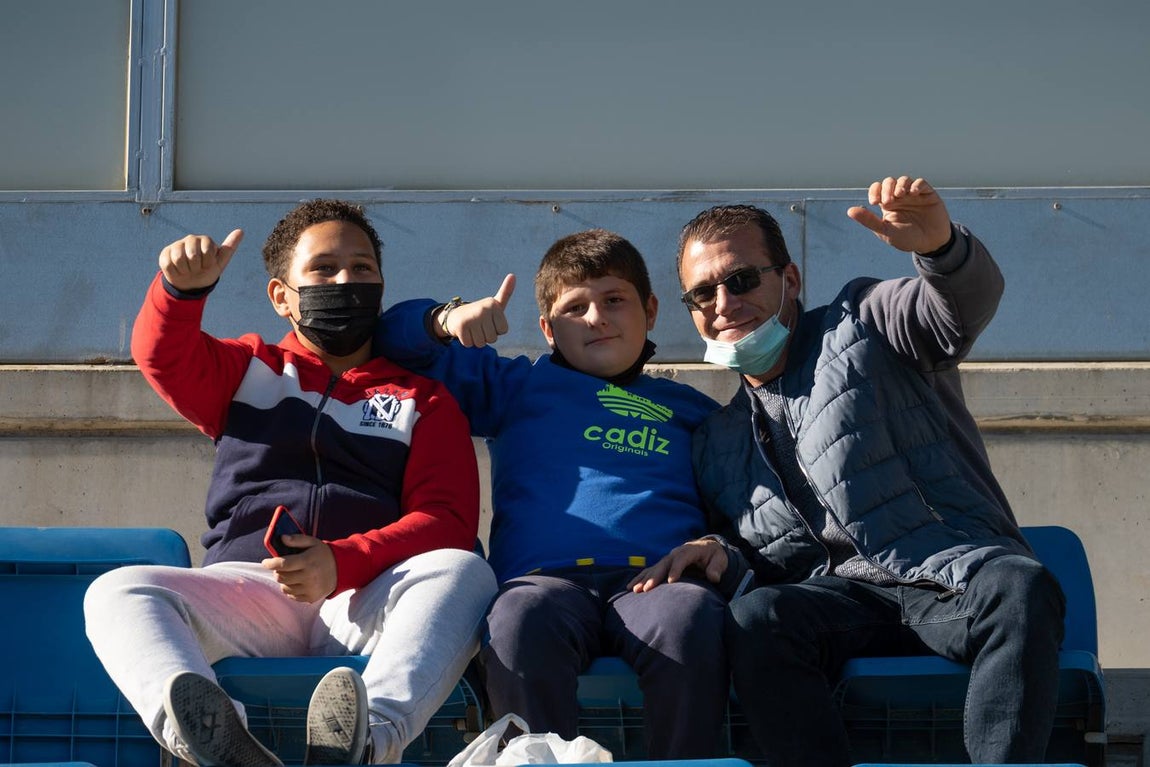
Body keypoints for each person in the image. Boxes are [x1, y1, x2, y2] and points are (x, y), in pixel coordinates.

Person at [631, 176, 1067, 766]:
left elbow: (954, 311)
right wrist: (718, 551)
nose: (723, 304)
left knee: (1020, 586)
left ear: (789, 280)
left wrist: (942, 250)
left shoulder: (864, 320)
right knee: (759, 618)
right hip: (844, 601)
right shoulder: (716, 438)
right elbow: (760, 560)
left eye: (741, 280)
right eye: (702, 294)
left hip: (949, 573)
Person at [84, 199, 497, 767]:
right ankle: (216, 743)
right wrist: (179, 293)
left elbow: (446, 521)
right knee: (117, 591)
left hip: (363, 600)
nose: (346, 280)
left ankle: (366, 741)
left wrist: (342, 562)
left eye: (362, 269)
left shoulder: (424, 399)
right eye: (323, 269)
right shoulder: (248, 367)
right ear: (282, 296)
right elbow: (163, 357)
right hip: (251, 590)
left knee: (465, 570)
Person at [374, 229, 731, 758]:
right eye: (575, 307)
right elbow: (390, 344)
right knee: (516, 624)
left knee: (691, 619)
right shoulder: (516, 386)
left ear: (651, 311)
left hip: (659, 584)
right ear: (546, 327)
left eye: (615, 300)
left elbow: (745, 506)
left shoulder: (695, 410)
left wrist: (714, 542)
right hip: (541, 584)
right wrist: (445, 320)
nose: (597, 317)